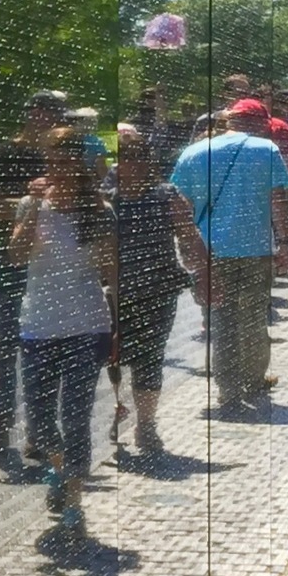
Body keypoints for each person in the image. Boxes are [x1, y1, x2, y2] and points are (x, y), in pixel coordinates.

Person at [10, 131, 116, 536]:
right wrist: (36, 207)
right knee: (37, 422)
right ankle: (59, 468)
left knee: (75, 417)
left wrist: (117, 322)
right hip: (39, 325)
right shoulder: (31, 204)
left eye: (67, 161)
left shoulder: (101, 210)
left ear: (82, 164)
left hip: (87, 325)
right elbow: (17, 257)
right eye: (52, 161)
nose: (58, 169)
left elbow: (110, 270)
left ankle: (73, 500)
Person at [170, 97, 288, 413]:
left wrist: (187, 249)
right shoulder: (267, 152)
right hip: (254, 249)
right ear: (259, 124)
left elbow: (179, 206)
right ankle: (253, 381)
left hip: (209, 251)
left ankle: (227, 388)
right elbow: (278, 200)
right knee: (253, 317)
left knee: (221, 320)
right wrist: (285, 244)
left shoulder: (193, 152)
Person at [0, 91, 65, 469]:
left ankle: (38, 428)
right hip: (12, 258)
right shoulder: (2, 154)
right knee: (4, 341)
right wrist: (32, 201)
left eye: (55, 116)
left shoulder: (62, 158)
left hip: (52, 261)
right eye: (42, 112)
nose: (47, 121)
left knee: (45, 343)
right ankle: (2, 416)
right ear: (32, 113)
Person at [109, 123, 201, 456]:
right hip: (111, 293)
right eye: (124, 157)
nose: (130, 164)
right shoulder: (107, 197)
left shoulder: (166, 194)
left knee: (149, 359)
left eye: (138, 157)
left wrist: (203, 274)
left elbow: (189, 238)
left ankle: (146, 426)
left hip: (156, 292)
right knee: (111, 358)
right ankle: (118, 410)